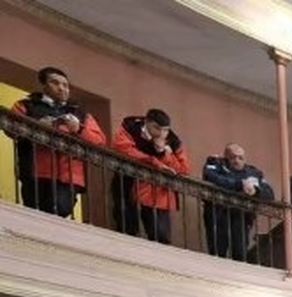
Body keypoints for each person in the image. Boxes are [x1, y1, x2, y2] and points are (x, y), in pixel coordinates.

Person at [10, 66, 106, 218]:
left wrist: (78, 129)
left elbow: (99, 141)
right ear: (43, 86)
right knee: (35, 214)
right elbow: (12, 127)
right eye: (55, 83)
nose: (62, 88)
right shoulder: (26, 105)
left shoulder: (80, 113)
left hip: (70, 175)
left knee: (61, 207)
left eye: (65, 85)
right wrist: (40, 125)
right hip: (36, 170)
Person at [111, 108, 188, 244]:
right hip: (126, 183)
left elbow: (183, 168)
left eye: (165, 130)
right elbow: (121, 148)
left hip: (157, 192)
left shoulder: (172, 140)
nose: (161, 133)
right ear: (146, 122)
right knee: (127, 226)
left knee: (160, 234)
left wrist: (165, 154)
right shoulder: (131, 126)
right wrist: (153, 161)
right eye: (157, 128)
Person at [201, 143, 273, 261]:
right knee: (218, 251)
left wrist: (255, 191)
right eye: (233, 157)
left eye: (240, 158)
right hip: (219, 214)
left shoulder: (254, 173)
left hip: (242, 217)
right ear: (226, 157)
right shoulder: (216, 164)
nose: (237, 160)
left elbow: (269, 193)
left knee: (240, 252)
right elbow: (211, 177)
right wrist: (239, 184)